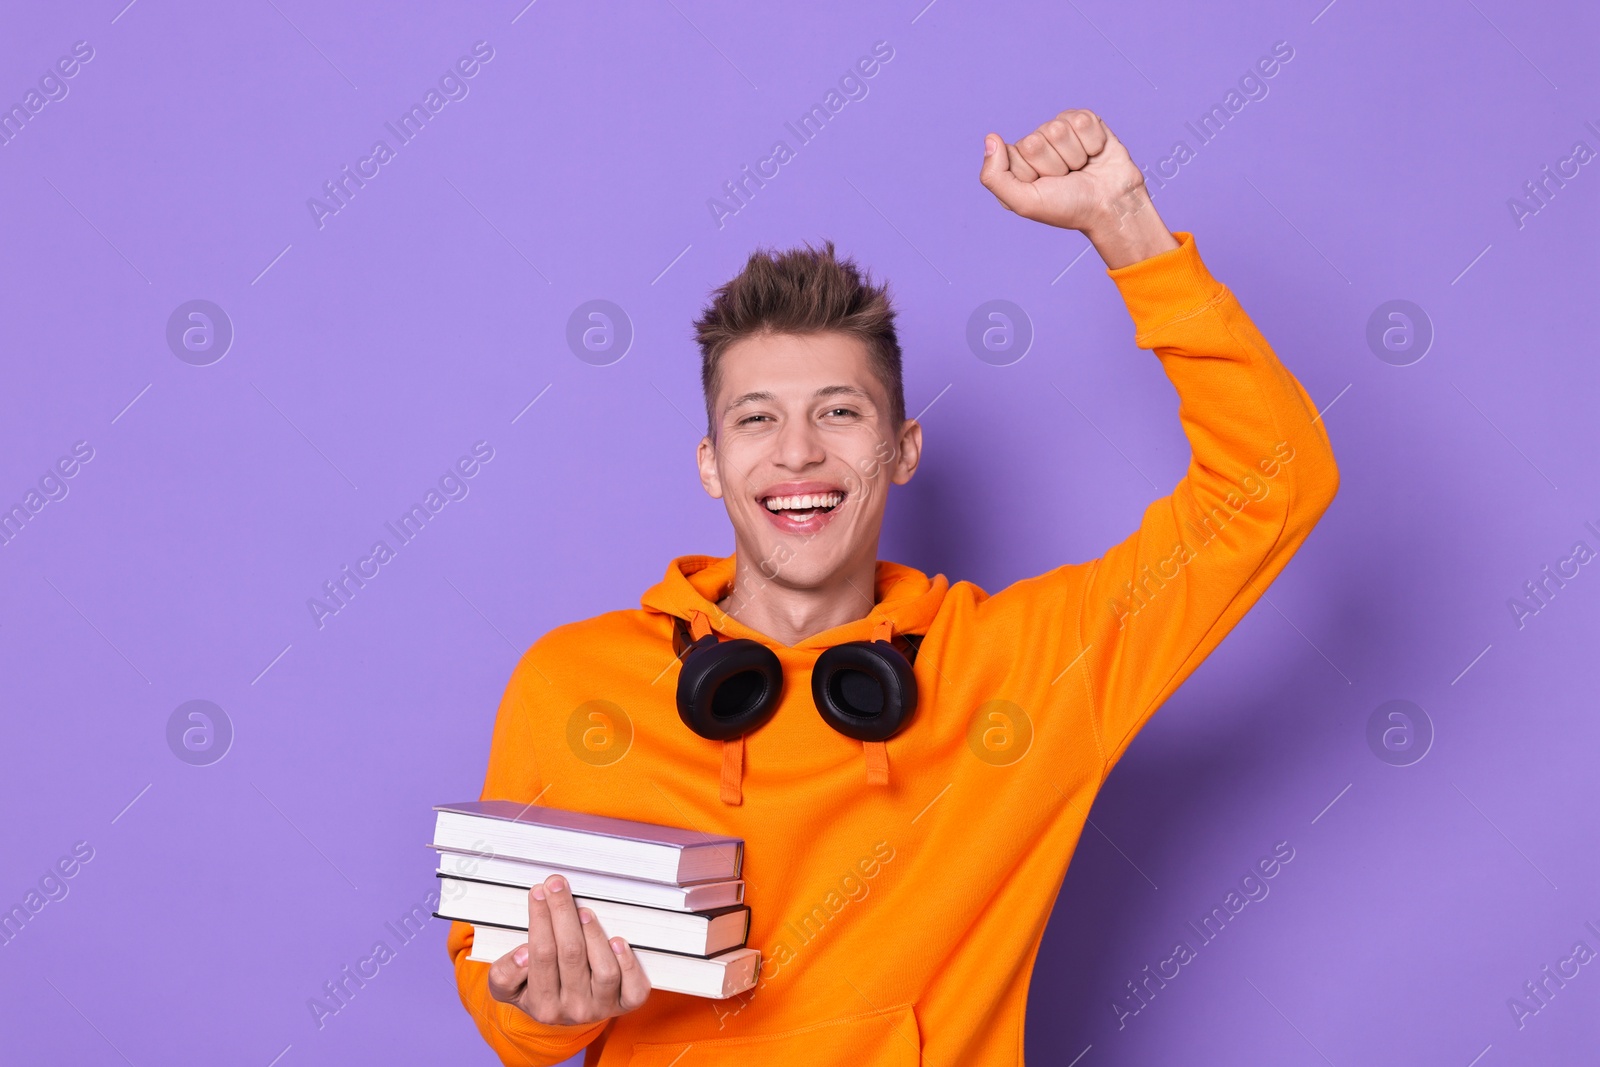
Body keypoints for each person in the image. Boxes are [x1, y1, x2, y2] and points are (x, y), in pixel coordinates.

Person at [447, 106, 1339, 1066]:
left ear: (903, 449)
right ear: (711, 462)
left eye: (839, 411)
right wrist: (549, 1007)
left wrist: (1127, 229)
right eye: (757, 419)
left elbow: (1275, 482)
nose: (798, 453)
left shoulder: (1031, 667)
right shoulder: (570, 683)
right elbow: (507, 1014)